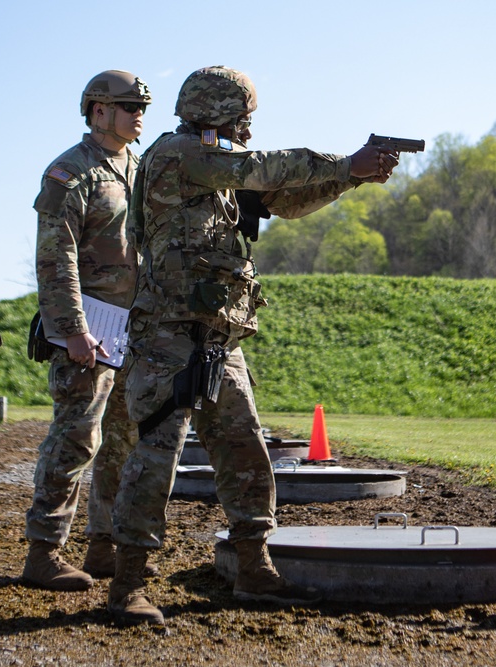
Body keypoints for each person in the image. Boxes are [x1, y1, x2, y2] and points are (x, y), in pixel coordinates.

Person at [108, 65, 399, 625]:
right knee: (155, 459)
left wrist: (353, 178)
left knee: (244, 452)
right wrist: (345, 162)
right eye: (244, 116)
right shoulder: (178, 154)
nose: (248, 126)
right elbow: (260, 169)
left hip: (218, 338)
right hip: (167, 336)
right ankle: (129, 584)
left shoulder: (217, 170)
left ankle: (253, 567)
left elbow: (285, 199)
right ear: (219, 112)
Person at [22, 70, 155, 591]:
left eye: (142, 105)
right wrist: (73, 330)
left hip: (133, 331)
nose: (138, 113)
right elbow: (55, 260)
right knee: (76, 438)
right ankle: (44, 552)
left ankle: (105, 545)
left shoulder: (140, 169)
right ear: (98, 110)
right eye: (128, 105)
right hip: (89, 331)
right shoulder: (69, 174)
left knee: (124, 441)